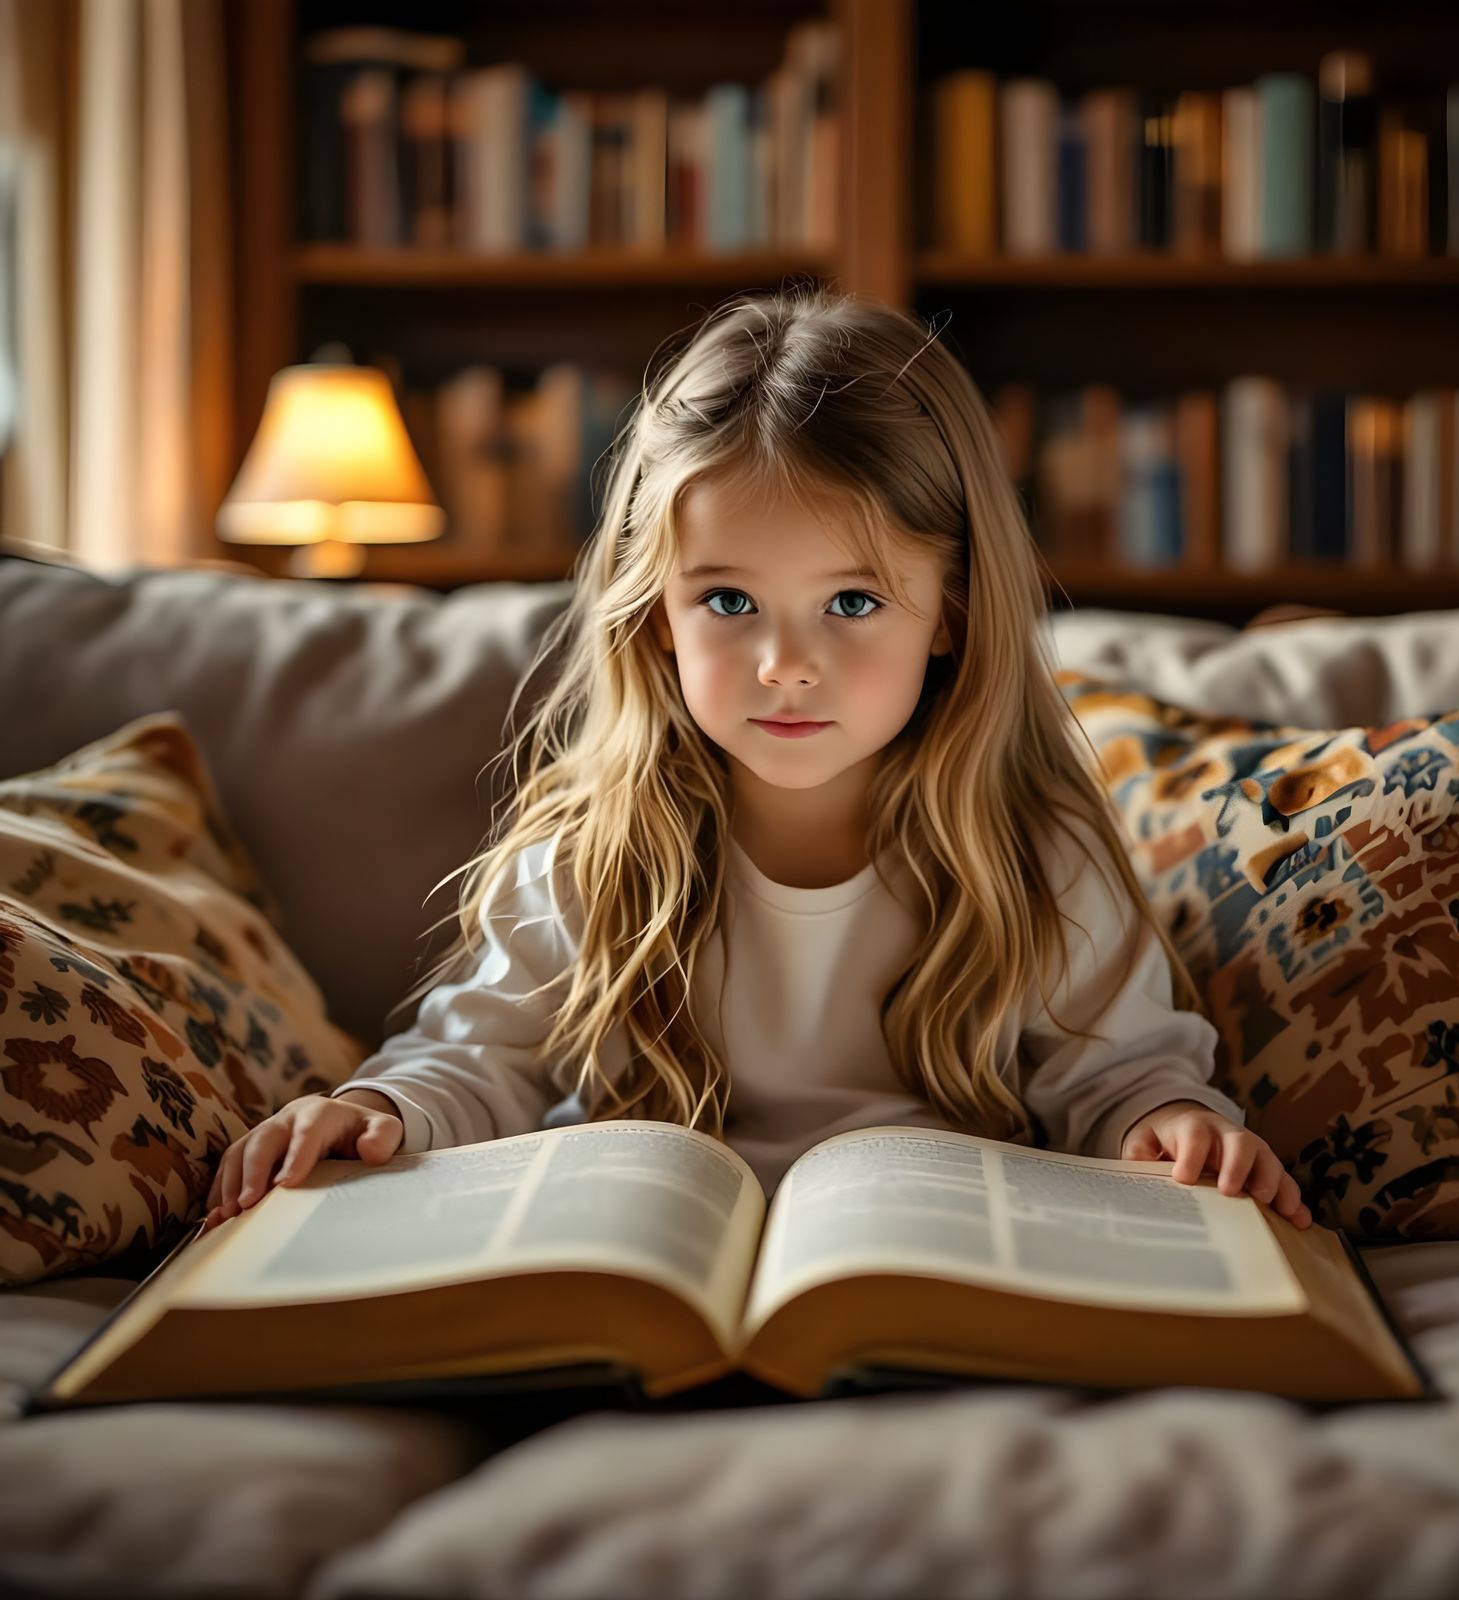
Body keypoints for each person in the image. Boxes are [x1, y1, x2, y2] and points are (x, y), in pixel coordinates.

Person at [204, 284, 1311, 1235]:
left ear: (949, 615)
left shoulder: (1035, 851)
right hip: (637, 1251)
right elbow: (479, 1060)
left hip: (924, 1258)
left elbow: (1117, 1078)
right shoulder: (592, 850)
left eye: (852, 601)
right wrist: (379, 1111)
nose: (786, 663)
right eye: (727, 600)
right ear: (657, 619)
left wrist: (1169, 1127)